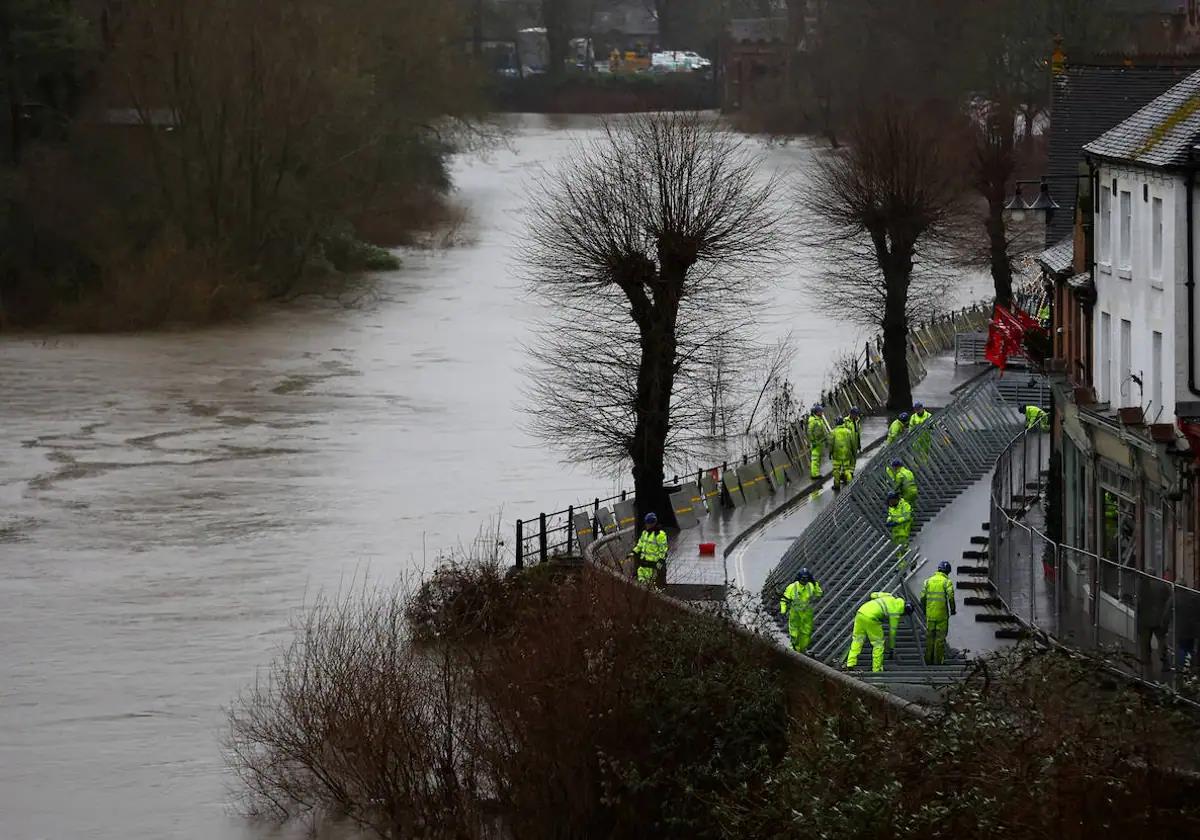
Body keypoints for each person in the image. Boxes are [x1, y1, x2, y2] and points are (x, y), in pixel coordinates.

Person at [845, 591, 913, 673]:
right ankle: (876, 670)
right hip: (872, 618)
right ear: (905, 612)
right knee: (878, 644)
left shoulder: (889, 595)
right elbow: (892, 632)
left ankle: (850, 664)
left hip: (861, 612)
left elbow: (872, 595)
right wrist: (891, 647)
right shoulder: (896, 613)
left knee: (857, 640)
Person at [780, 567, 823, 653]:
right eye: (803, 578)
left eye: (806, 578)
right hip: (795, 613)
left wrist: (815, 584)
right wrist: (783, 611)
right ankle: (795, 648)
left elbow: (819, 594)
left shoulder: (810, 586)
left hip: (807, 613)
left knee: (806, 633)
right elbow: (784, 600)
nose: (804, 580)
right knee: (794, 633)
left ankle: (801, 651)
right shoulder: (792, 587)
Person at [921, 561, 956, 665]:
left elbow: (922, 597)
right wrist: (953, 609)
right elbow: (951, 597)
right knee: (940, 639)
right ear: (947, 572)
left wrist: (924, 609)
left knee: (930, 638)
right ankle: (938, 662)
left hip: (930, 615)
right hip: (942, 615)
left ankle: (928, 661)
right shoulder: (947, 582)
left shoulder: (927, 581)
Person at [631, 513, 668, 585]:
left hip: (653, 565)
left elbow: (663, 549)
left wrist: (660, 560)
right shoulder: (644, 533)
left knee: (652, 584)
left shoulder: (660, 535)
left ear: (652, 524)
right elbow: (639, 545)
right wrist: (633, 552)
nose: (646, 525)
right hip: (644, 564)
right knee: (642, 582)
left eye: (648, 523)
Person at [886, 491, 913, 572]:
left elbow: (907, 516)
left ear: (895, 499)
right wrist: (888, 521)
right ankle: (902, 566)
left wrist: (897, 521)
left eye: (891, 501)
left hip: (903, 530)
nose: (890, 503)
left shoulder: (904, 505)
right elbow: (891, 516)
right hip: (895, 532)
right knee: (898, 551)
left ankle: (911, 561)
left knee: (904, 548)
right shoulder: (891, 507)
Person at [830, 417, 856, 490]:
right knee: (847, 469)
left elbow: (830, 444)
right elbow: (853, 443)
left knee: (836, 471)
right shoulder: (848, 432)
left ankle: (837, 485)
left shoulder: (833, 432)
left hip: (836, 455)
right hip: (846, 454)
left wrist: (830, 453)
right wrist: (853, 452)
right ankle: (850, 484)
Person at [807, 404, 830, 479]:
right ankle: (814, 474)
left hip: (820, 441)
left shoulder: (819, 419)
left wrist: (825, 439)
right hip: (816, 442)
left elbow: (822, 430)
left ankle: (816, 472)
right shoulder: (813, 420)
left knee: (818, 458)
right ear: (817, 412)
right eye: (821, 411)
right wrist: (813, 440)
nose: (822, 412)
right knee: (815, 458)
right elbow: (809, 431)